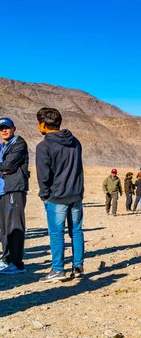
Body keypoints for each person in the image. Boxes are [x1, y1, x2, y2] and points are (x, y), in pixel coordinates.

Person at [35, 107, 85, 282]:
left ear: (43, 124)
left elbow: (43, 175)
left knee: (56, 233)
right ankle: (78, 267)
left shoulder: (44, 146)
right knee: (76, 231)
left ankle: (57, 269)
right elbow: (79, 168)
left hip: (57, 197)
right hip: (76, 195)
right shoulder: (75, 141)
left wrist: (44, 195)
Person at [0, 117, 29, 275]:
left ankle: (17, 264)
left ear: (14, 128)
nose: (4, 131)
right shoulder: (2, 146)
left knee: (15, 227)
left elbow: (8, 165)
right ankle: (6, 260)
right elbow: (4, 168)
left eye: (7, 127)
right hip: (2, 190)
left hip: (14, 189)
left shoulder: (19, 144)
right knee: (4, 228)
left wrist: (5, 169)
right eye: (1, 128)